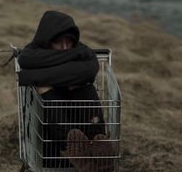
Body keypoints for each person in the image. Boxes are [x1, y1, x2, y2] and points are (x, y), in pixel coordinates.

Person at [17, 11, 113, 171]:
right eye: (59, 43)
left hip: (81, 119)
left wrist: (43, 78)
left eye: (69, 42)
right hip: (50, 137)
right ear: (47, 42)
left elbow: (89, 69)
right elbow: (26, 64)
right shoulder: (31, 55)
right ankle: (72, 145)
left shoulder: (83, 53)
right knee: (48, 94)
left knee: (85, 86)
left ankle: (96, 142)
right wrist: (68, 77)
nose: (65, 48)